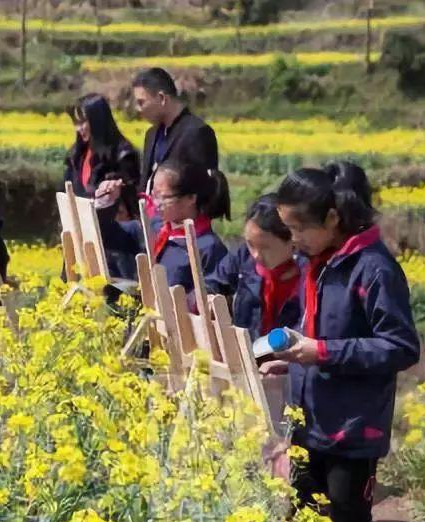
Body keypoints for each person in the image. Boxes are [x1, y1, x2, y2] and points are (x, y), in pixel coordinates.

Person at [266, 161, 420, 522]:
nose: (291, 239)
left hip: (352, 429)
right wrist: (293, 359)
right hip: (309, 421)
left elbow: (401, 346)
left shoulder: (374, 269)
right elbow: (315, 328)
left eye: (297, 228)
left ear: (332, 219)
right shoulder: (319, 259)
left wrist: (323, 353)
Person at [96, 67, 218, 220]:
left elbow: (204, 191)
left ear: (161, 98)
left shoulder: (196, 133)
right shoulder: (151, 134)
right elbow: (146, 185)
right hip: (151, 224)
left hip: (181, 229)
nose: (138, 109)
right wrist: (118, 189)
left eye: (142, 102)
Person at [63, 93, 142, 279]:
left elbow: (130, 194)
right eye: (76, 122)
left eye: (84, 122)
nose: (79, 128)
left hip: (114, 242)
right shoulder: (77, 155)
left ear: (98, 120)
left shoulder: (123, 154)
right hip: (82, 234)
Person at [206, 194, 301, 340]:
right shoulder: (243, 256)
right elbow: (214, 282)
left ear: (292, 241)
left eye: (265, 247)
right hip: (246, 351)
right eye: (250, 244)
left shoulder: (308, 274)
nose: (256, 255)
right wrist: (210, 296)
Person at [150, 159, 230, 295]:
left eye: (163, 197)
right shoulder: (155, 228)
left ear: (191, 198)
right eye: (154, 195)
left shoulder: (209, 247)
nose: (156, 203)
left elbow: (211, 294)